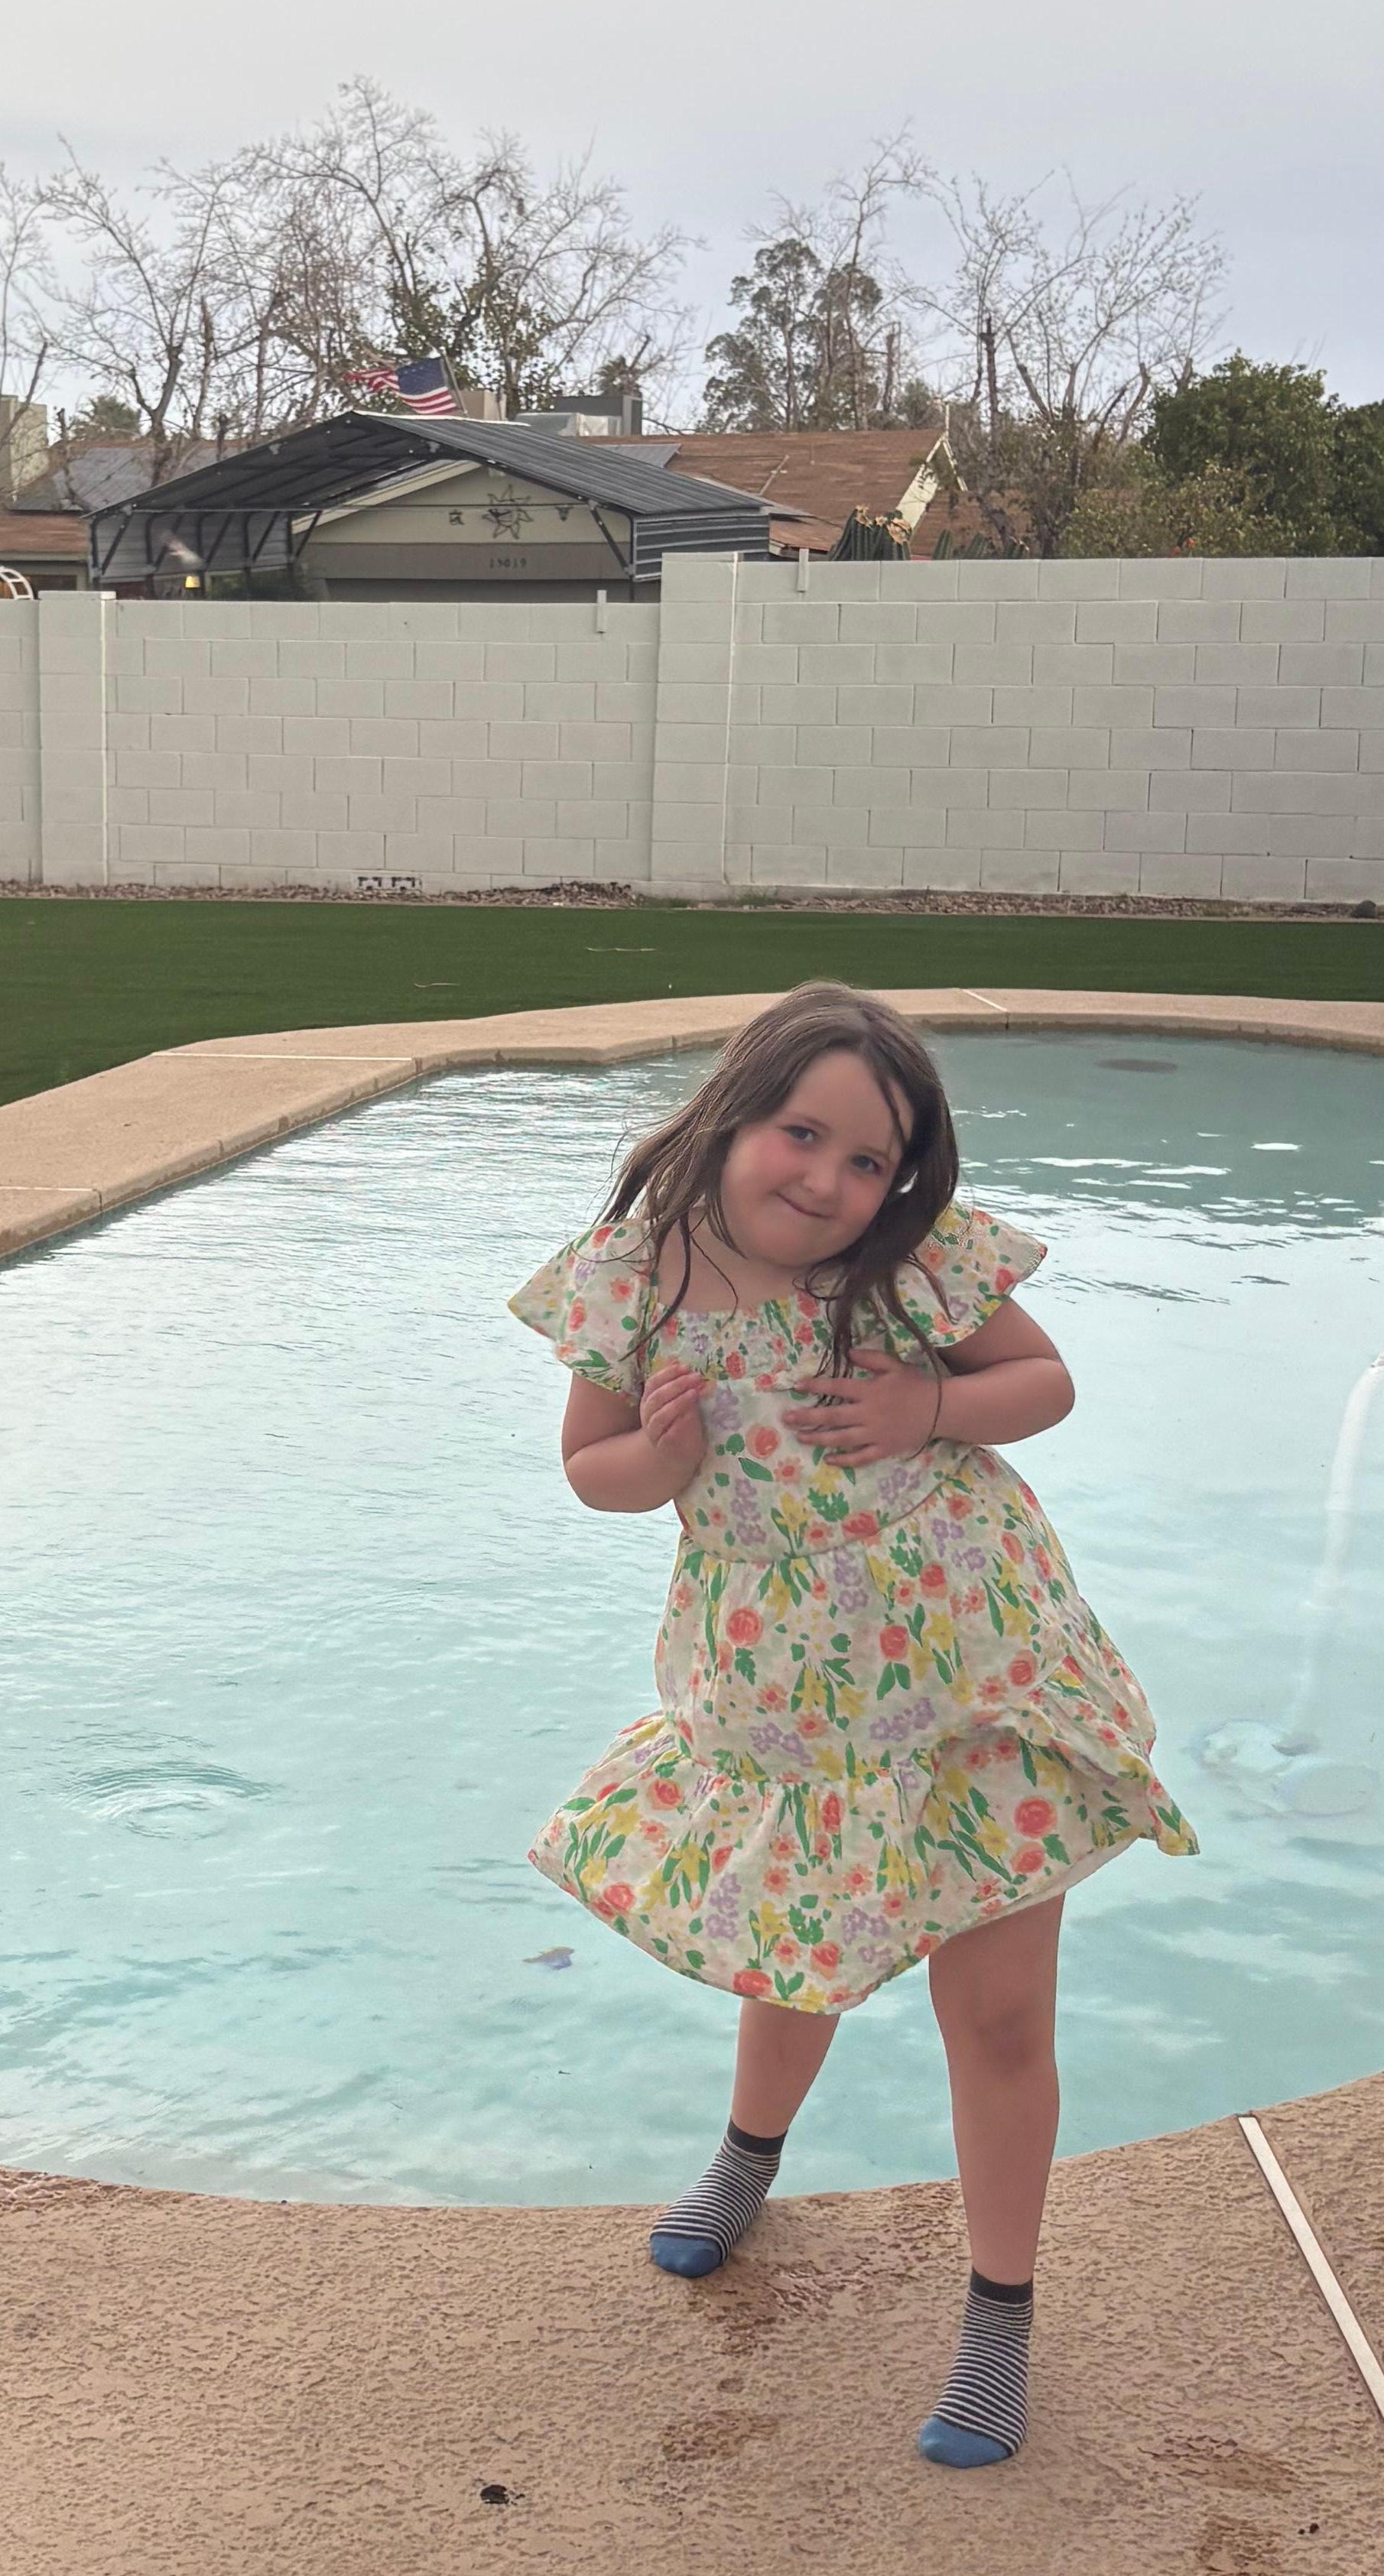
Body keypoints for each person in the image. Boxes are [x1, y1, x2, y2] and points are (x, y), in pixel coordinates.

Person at [512, 981, 1194, 2467]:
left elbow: (1044, 1381)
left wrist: (927, 1411)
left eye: (869, 1158)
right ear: (730, 1115)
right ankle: (747, 2162)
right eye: (800, 1133)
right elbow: (591, 1470)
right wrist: (659, 1457)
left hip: (974, 1684)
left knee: (997, 2015)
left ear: (903, 1180)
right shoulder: (633, 1277)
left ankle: (998, 2318)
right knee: (795, 1951)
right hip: (792, 1713)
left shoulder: (912, 1266)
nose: (827, 1179)